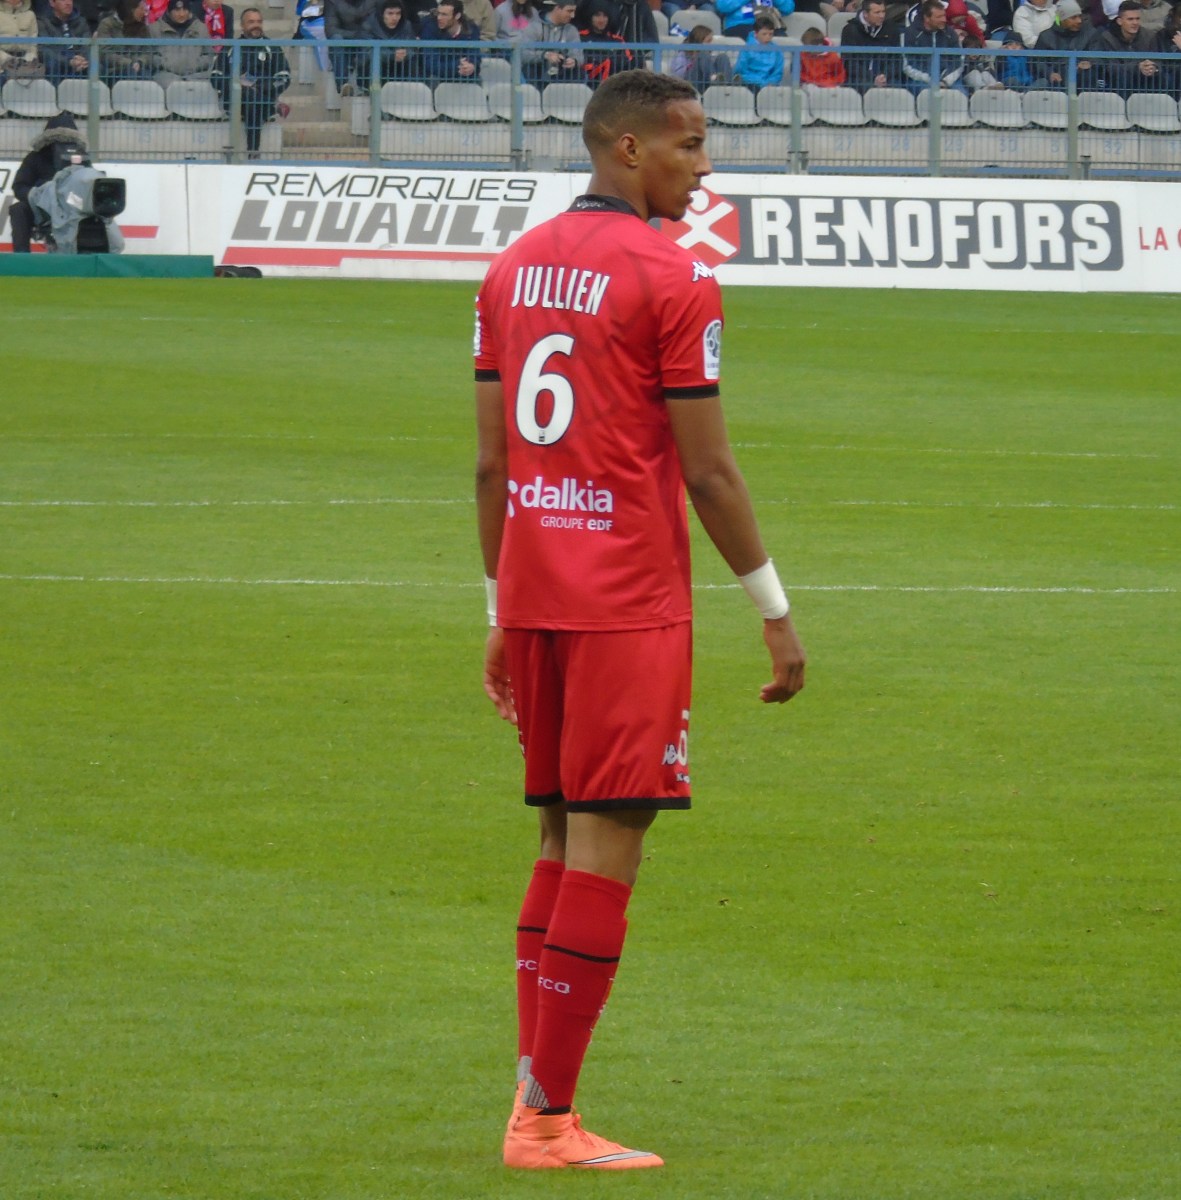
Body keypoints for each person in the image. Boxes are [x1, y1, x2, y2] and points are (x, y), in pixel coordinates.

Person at [474, 68, 806, 1172]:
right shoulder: (673, 277)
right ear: (629, 150)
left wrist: (497, 607)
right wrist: (773, 611)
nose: (704, 169)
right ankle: (545, 1121)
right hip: (625, 602)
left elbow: (490, 464)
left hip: (534, 590)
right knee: (608, 842)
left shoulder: (510, 268)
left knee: (558, 836)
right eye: (690, 146)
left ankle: (533, 1102)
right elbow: (707, 473)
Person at [211, 6, 289, 155]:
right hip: (233, 101)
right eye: (251, 22)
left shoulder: (272, 48)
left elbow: (284, 78)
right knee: (248, 96)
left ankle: (251, 151)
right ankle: (253, 150)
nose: (256, 25)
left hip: (262, 99)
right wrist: (235, 85)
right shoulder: (230, 47)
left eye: (259, 21)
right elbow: (215, 77)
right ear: (242, 25)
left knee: (252, 100)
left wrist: (261, 86)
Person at [8, 112, 85, 252]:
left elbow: (90, 184)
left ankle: (89, 252)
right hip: (41, 206)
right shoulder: (35, 157)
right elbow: (19, 186)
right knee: (18, 209)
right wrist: (38, 195)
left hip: (73, 204)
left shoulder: (82, 158)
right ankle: (22, 256)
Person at [901, 0, 966, 94]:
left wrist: (945, 81)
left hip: (948, 80)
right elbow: (907, 64)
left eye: (944, 15)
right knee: (926, 94)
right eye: (939, 17)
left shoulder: (950, 33)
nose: (944, 20)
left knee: (961, 95)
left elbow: (959, 61)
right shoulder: (911, 33)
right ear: (927, 18)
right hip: (921, 80)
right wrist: (931, 80)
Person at [1094, 0, 1159, 92]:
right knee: (1122, 77)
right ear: (1119, 21)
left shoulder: (1149, 36)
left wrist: (1153, 68)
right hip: (1116, 84)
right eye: (1130, 19)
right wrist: (1137, 67)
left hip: (1144, 81)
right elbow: (1109, 67)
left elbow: (1158, 61)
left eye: (1137, 19)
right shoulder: (1107, 38)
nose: (1135, 23)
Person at [1031, 0, 1097, 88]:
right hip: (1055, 83)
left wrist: (1089, 62)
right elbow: (1037, 61)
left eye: (1080, 16)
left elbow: (1097, 54)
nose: (1079, 21)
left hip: (1082, 80)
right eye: (1073, 18)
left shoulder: (1090, 33)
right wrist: (1049, 73)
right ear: (1062, 20)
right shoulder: (1046, 37)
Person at [840, 0, 904, 91]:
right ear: (865, 14)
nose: (882, 16)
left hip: (886, 77)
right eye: (877, 12)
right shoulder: (850, 30)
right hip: (859, 77)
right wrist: (872, 78)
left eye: (883, 11)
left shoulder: (891, 28)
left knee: (896, 89)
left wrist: (885, 75)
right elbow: (849, 62)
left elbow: (897, 59)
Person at [356, 0, 416, 88]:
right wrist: (392, 55)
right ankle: (373, 91)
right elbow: (367, 52)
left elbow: (412, 47)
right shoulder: (368, 25)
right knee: (374, 61)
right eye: (390, 13)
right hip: (372, 68)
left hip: (398, 67)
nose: (395, 18)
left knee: (412, 62)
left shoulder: (406, 25)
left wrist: (406, 53)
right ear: (381, 13)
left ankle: (411, 92)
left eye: (398, 13)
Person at [150, 0, 213, 82]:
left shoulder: (201, 28)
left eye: (185, 10)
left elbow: (208, 55)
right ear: (169, 11)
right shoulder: (155, 29)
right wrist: (164, 63)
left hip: (196, 75)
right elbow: (150, 54)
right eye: (177, 10)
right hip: (166, 75)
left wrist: (195, 65)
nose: (181, 14)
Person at [96, 0, 159, 81]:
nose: (144, 13)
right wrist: (128, 63)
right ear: (130, 9)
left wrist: (140, 62)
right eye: (141, 9)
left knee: (147, 80)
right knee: (131, 75)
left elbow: (148, 51)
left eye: (145, 10)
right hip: (113, 71)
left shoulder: (143, 27)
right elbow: (105, 53)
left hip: (139, 69)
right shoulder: (107, 24)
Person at [523, 0, 583, 84]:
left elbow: (579, 55)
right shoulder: (534, 27)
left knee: (579, 73)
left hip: (561, 73)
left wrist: (574, 61)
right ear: (557, 8)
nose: (572, 15)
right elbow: (523, 54)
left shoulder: (571, 30)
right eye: (569, 11)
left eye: (574, 11)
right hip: (538, 73)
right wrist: (544, 55)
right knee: (529, 69)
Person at [419, 0, 481, 81]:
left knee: (476, 80)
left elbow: (474, 56)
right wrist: (457, 65)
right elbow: (430, 64)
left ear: (457, 16)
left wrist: (471, 66)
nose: (439, 18)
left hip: (463, 75)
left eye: (444, 15)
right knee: (433, 79)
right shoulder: (430, 28)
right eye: (438, 13)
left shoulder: (471, 29)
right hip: (437, 76)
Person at [324, 0, 373, 94]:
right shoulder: (332, 2)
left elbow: (374, 25)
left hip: (365, 40)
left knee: (370, 40)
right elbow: (330, 30)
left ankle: (365, 85)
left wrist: (362, 35)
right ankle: (343, 85)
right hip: (345, 40)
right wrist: (355, 35)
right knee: (336, 39)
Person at [579, 0, 633, 83]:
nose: (601, 20)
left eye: (605, 16)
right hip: (587, 83)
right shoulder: (580, 37)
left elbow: (628, 62)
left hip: (614, 83)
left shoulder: (618, 41)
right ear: (590, 17)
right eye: (597, 15)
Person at [37, 0, 90, 82]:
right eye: (63, 0)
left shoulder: (81, 21)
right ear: (52, 3)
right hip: (58, 62)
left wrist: (82, 60)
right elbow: (43, 50)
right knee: (52, 64)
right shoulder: (43, 22)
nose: (68, 3)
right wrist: (69, 61)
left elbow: (87, 45)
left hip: (78, 62)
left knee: (95, 65)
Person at [671, 23, 733, 88]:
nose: (711, 44)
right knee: (703, 54)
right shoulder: (683, 54)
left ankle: (728, 84)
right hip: (691, 83)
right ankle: (714, 79)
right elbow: (677, 75)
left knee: (722, 57)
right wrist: (693, 63)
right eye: (708, 41)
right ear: (699, 41)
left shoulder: (708, 54)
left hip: (706, 82)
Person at [733, 11, 785, 87]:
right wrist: (761, 83)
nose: (768, 37)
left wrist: (770, 83)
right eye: (764, 34)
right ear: (755, 34)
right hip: (750, 85)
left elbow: (778, 73)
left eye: (770, 34)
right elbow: (741, 71)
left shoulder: (777, 50)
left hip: (770, 87)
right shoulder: (746, 49)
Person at [1, 0, 39, 81]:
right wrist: (7, 60)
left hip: (26, 65)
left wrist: (29, 59)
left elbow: (33, 43)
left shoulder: (30, 15)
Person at [716, 0, 794, 40]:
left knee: (782, 39)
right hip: (740, 24)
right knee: (756, 38)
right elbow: (722, 6)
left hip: (767, 24)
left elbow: (788, 8)